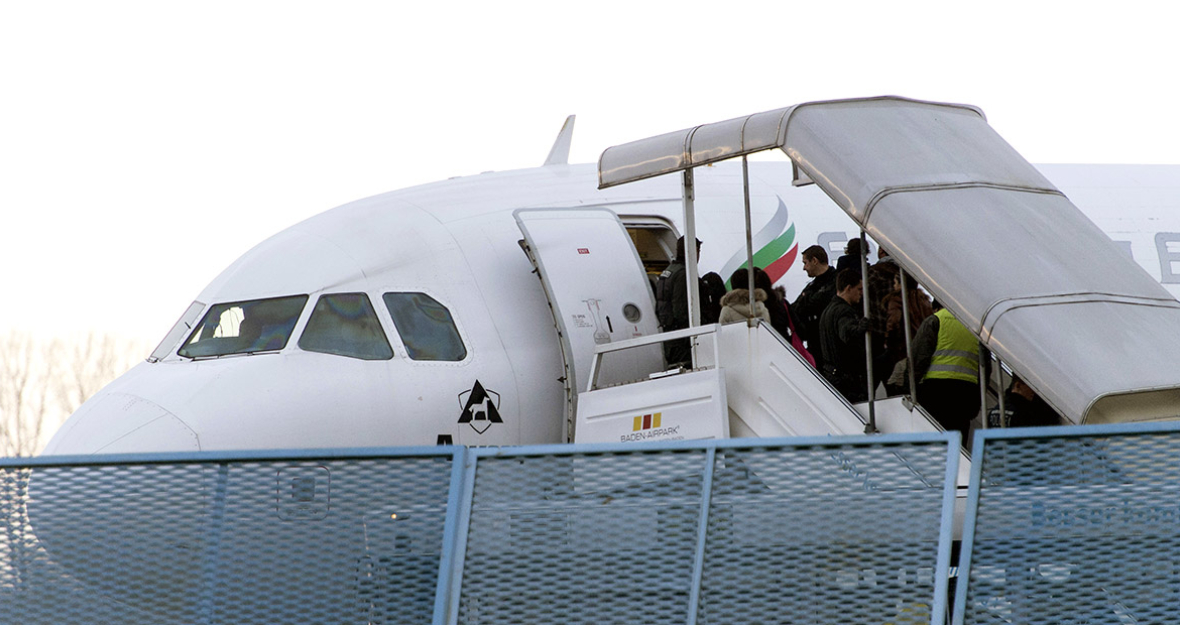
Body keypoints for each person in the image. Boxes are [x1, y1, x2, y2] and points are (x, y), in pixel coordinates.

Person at [913, 302, 980, 440]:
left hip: (936, 390)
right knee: (957, 440)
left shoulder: (935, 320)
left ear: (937, 307)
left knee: (932, 436)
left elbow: (920, 358)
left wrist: (910, 387)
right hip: (966, 393)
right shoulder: (976, 326)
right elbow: (985, 368)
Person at [819, 269, 869, 403]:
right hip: (847, 382)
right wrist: (864, 325)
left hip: (831, 375)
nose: (861, 293)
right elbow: (848, 334)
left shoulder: (828, 311)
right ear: (848, 288)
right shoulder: (844, 311)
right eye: (859, 289)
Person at [881, 270, 933, 396]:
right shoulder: (925, 301)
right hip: (922, 351)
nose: (894, 286)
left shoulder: (897, 299)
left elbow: (893, 323)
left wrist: (888, 342)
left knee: (891, 380)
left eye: (895, 283)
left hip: (902, 349)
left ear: (901, 284)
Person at [655, 236, 701, 367]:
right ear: (695, 250)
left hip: (669, 337)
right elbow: (681, 310)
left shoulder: (667, 272)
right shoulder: (683, 274)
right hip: (682, 340)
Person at [792, 245, 838, 368]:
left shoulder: (835, 282)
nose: (804, 268)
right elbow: (796, 308)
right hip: (815, 343)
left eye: (805, 263)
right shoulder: (813, 285)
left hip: (830, 346)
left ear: (814, 261)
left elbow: (814, 304)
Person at [987, 377, 1060, 428]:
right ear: (1018, 385)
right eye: (1030, 387)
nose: (1033, 391)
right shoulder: (1024, 412)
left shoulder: (994, 411)